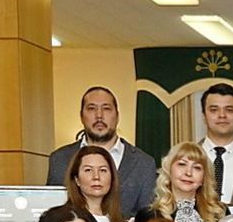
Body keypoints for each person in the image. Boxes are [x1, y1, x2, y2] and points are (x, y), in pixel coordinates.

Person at [46, 86, 158, 214]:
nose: (99, 116)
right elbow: (52, 214)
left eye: (106, 108)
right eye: (91, 108)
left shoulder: (144, 163)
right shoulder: (60, 159)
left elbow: (149, 219)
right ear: (81, 115)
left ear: (117, 116)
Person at [136, 142, 228, 222]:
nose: (188, 173)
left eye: (197, 168)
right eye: (182, 164)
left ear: (204, 178)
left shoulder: (220, 212)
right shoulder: (149, 216)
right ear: (169, 170)